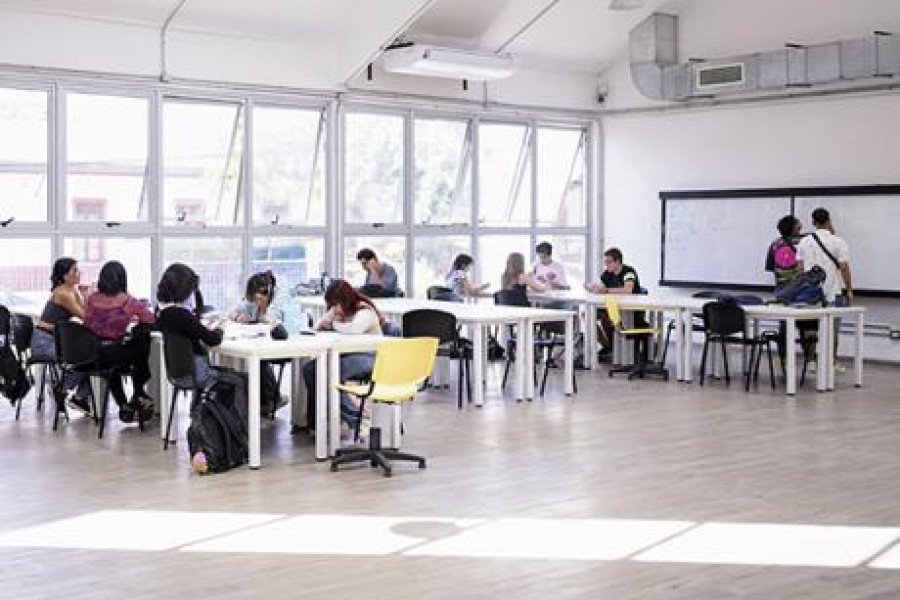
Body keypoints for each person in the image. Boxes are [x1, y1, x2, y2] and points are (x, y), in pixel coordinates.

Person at [302, 280, 382, 440]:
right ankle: (319, 420)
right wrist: (325, 322)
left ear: (345, 300)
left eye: (336, 304)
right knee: (310, 370)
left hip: (370, 357)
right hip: (347, 354)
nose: (334, 308)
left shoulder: (365, 311)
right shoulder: (338, 310)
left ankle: (357, 419)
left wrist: (334, 324)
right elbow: (319, 324)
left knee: (328, 372)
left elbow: (354, 329)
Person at [83, 261, 156, 423]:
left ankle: (123, 404)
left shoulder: (91, 298)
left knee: (112, 362)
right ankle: (138, 392)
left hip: (92, 354)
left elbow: (86, 323)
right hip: (115, 354)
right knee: (141, 336)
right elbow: (151, 319)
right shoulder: (127, 301)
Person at [797, 207, 853, 372]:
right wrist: (849, 289)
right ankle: (832, 362)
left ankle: (811, 361)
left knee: (810, 327)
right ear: (829, 221)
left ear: (813, 222)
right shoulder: (838, 241)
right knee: (832, 329)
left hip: (810, 294)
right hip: (832, 292)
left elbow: (800, 269)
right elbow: (844, 268)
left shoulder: (804, 241)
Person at [30, 257, 90, 409]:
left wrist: (85, 295)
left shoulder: (72, 290)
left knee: (91, 357)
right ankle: (64, 389)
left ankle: (77, 396)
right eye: (75, 270)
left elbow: (87, 313)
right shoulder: (63, 293)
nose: (79, 273)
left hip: (56, 340)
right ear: (65, 276)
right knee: (87, 358)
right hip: (44, 343)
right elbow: (85, 316)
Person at [231, 271, 285, 417]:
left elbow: (277, 321)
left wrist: (264, 314)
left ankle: (270, 400)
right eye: (254, 298)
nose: (257, 301)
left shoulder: (278, 302)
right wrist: (238, 316)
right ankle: (263, 401)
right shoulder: (252, 300)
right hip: (259, 343)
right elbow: (234, 312)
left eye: (260, 298)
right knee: (255, 359)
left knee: (260, 361)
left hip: (281, 345)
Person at [584, 248, 644, 359]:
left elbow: (628, 290)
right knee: (587, 315)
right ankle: (608, 346)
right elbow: (601, 286)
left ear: (617, 261)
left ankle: (615, 348)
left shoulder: (628, 272)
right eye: (605, 262)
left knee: (606, 319)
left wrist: (606, 290)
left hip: (630, 310)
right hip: (613, 308)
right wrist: (592, 287)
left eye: (609, 262)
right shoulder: (608, 273)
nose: (606, 265)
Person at [765, 215, 803, 288]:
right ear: (793, 227)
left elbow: (770, 266)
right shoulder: (802, 242)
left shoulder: (775, 244)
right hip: (798, 286)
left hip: (781, 286)